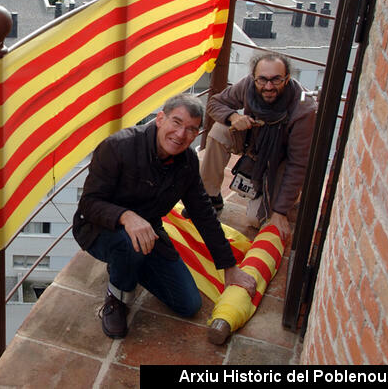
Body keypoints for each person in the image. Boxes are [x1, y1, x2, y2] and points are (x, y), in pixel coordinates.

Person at [73, 94, 256, 339]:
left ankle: (127, 263)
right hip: (98, 229)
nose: (181, 135)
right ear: (160, 118)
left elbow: (203, 212)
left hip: (149, 229)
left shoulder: (188, 162)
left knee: (188, 304)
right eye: (176, 122)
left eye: (191, 129)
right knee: (129, 245)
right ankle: (117, 298)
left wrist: (229, 266)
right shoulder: (118, 146)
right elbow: (88, 204)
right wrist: (126, 216)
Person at [199, 53, 316, 240]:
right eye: (262, 80)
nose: (269, 87)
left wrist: (279, 211)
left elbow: (298, 164)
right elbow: (215, 103)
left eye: (276, 80)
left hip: (279, 160)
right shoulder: (248, 85)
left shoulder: (303, 110)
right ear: (254, 77)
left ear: (287, 79)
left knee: (256, 220)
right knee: (219, 131)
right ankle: (210, 197)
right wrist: (233, 117)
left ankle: (289, 196)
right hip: (252, 145)